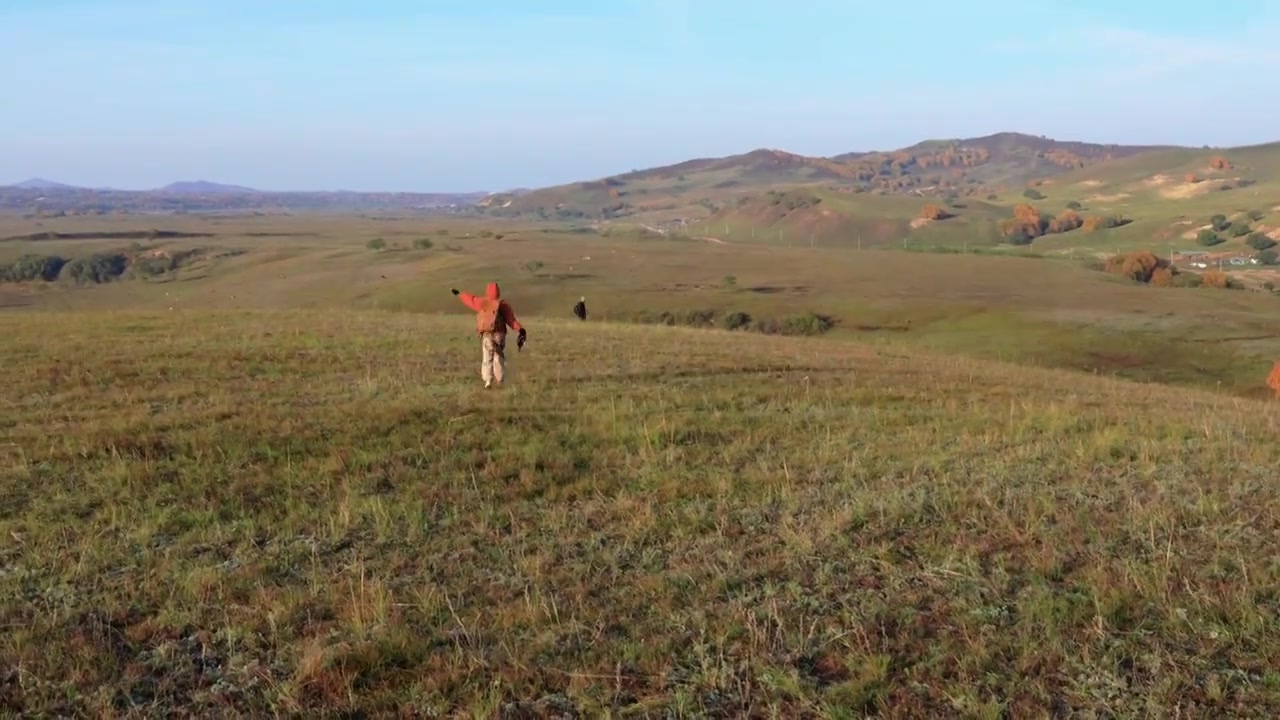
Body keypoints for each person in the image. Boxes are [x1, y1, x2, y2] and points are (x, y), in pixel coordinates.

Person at [451, 282, 527, 389]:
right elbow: (511, 320)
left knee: (487, 357)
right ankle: (500, 380)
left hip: (487, 334)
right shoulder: (503, 305)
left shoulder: (481, 302)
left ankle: (488, 380)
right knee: (498, 357)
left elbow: (470, 300)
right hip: (500, 335)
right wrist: (520, 329)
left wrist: (459, 294)